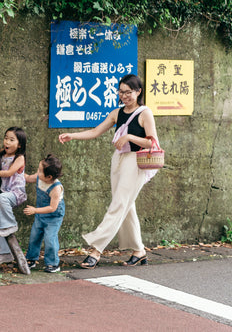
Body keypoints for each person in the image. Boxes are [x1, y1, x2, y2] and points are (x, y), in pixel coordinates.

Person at [58, 73, 157, 269]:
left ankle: (96, 250)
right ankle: (139, 251)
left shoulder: (145, 113)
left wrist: (129, 136)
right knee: (126, 206)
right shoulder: (116, 113)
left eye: (128, 92)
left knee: (119, 204)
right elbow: (95, 131)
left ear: (138, 92)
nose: (124, 96)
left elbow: (151, 141)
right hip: (118, 160)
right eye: (121, 92)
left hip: (136, 161)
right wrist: (72, 135)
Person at [0, 127, 28, 264]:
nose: (7, 142)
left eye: (11, 140)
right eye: (5, 138)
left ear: (19, 144)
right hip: (6, 192)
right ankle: (5, 254)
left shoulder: (19, 158)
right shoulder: (2, 153)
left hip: (16, 193)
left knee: (0, 198)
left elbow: (9, 173)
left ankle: (10, 224)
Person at [23, 154, 65, 273]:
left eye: (40, 171)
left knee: (50, 239)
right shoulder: (40, 177)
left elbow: (52, 207)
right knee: (34, 236)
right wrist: (18, 172)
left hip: (53, 216)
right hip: (41, 214)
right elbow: (28, 178)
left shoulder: (56, 188)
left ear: (49, 176)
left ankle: (53, 263)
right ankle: (31, 259)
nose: (37, 172)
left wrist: (35, 210)